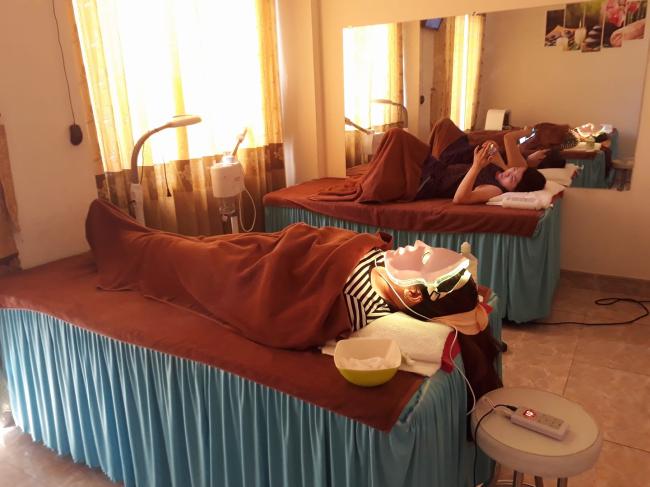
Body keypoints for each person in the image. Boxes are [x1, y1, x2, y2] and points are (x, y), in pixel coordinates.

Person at [416, 118, 548, 204]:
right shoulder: (501, 171)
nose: (509, 173)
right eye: (514, 170)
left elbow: (459, 199)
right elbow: (493, 151)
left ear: (515, 190)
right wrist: (491, 147)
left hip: (428, 179)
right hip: (433, 165)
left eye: (512, 179)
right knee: (440, 125)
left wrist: (476, 166)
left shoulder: (495, 190)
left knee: (403, 140)